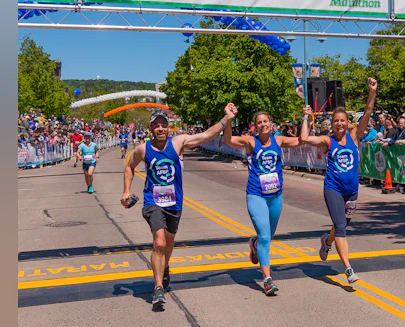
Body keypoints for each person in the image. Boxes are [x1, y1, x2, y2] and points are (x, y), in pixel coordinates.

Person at [121, 104, 237, 306]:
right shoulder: (143, 149)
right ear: (150, 130)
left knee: (169, 240)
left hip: (174, 202)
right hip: (152, 201)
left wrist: (226, 119)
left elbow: (207, 135)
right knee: (159, 241)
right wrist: (126, 191)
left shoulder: (178, 143)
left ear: (168, 128)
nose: (160, 129)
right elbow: (129, 166)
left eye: (163, 125)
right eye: (156, 125)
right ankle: (158, 288)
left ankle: (164, 266)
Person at [300, 77, 378, 284]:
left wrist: (372, 92)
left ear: (347, 122)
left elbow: (368, 112)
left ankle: (327, 240)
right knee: (341, 226)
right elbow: (305, 139)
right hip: (333, 188)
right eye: (336, 121)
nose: (340, 123)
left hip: (351, 190)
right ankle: (348, 269)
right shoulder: (328, 141)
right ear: (332, 124)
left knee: (342, 224)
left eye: (343, 120)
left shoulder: (354, 136)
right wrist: (306, 118)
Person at [223, 107, 306, 296]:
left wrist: (306, 118)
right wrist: (228, 119)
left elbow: (302, 141)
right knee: (266, 237)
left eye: (265, 122)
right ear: (255, 126)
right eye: (259, 122)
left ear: (271, 124)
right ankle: (267, 280)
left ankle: (254, 243)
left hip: (276, 195)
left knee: (267, 236)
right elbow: (228, 140)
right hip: (256, 195)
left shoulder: (279, 140)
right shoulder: (251, 142)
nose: (262, 125)